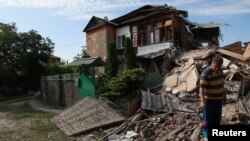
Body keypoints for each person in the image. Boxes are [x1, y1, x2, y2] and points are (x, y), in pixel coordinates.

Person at [199, 56, 226, 140]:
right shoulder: (206, 72)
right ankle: (206, 135)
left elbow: (222, 84)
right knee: (207, 119)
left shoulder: (220, 71)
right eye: (216, 66)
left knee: (217, 119)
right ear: (212, 63)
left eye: (219, 66)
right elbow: (201, 88)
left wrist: (224, 95)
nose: (217, 68)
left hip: (218, 100)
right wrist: (202, 101)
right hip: (209, 101)